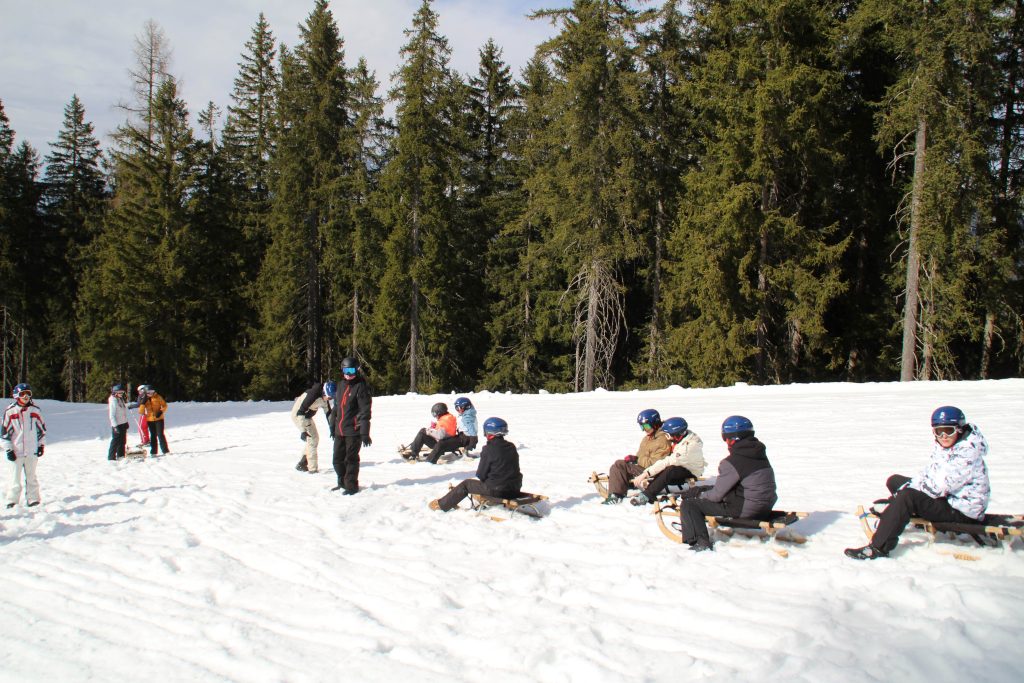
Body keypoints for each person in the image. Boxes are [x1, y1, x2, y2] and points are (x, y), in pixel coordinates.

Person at [845, 405, 990, 560]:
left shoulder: (967, 454)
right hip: (947, 499)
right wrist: (902, 490)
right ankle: (897, 510)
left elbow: (939, 487)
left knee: (908, 497)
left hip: (962, 511)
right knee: (895, 481)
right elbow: (929, 474)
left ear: (959, 429)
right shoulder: (947, 447)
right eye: (938, 431)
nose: (943, 436)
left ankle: (878, 548)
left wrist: (902, 495)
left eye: (948, 430)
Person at [677, 416, 777, 552]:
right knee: (707, 491)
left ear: (734, 439)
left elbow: (716, 496)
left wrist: (700, 495)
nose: (727, 443)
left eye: (726, 439)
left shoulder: (732, 462)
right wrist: (704, 490)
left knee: (690, 505)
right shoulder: (758, 454)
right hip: (765, 507)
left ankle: (700, 542)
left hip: (746, 510)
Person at [429, 417, 522, 511]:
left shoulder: (488, 449)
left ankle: (441, 505)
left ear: (489, 433)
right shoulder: (511, 447)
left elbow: (481, 474)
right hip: (515, 489)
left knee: (466, 484)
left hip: (497, 491)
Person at [602, 408, 674, 504]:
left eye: (646, 426)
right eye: (642, 427)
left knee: (619, 464)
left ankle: (616, 495)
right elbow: (640, 456)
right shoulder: (648, 438)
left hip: (654, 471)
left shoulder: (663, 439)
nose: (644, 430)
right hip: (644, 468)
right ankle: (619, 489)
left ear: (655, 423)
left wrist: (637, 460)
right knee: (619, 465)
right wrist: (634, 459)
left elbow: (657, 462)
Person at [630, 416, 706, 506]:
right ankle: (643, 487)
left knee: (670, 470)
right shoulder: (683, 436)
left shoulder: (688, 448)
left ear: (677, 435)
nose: (667, 438)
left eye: (668, 435)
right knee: (665, 468)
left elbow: (668, 461)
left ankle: (648, 495)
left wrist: (645, 474)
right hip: (681, 466)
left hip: (690, 470)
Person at [330, 357, 372, 495]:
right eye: (346, 370)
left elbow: (365, 412)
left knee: (350, 460)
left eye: (352, 370)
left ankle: (351, 486)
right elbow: (336, 408)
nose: (349, 374)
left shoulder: (361, 387)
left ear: (357, 370)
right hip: (339, 430)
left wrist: (365, 433)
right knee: (337, 460)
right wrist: (332, 425)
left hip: (353, 431)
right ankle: (341, 482)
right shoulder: (341, 384)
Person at [3, 383, 47, 509]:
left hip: (31, 450)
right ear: (16, 395)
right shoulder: (10, 412)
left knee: (31, 476)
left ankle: (33, 499)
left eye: (28, 393)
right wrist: (8, 449)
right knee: (14, 478)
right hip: (16, 451)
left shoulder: (35, 411)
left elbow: (42, 430)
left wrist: (40, 445)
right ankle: (12, 500)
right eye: (23, 394)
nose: (26, 396)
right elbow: (4, 433)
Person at [292, 380, 336, 474]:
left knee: (313, 439)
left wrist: (332, 428)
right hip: (300, 416)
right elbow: (300, 412)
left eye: (331, 398)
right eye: (328, 397)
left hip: (307, 416)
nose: (329, 399)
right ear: (324, 392)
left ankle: (303, 462)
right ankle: (312, 469)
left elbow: (328, 413)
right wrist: (303, 430)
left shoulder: (325, 398)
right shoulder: (313, 394)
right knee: (312, 440)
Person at [423, 396, 479, 464]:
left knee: (442, 443)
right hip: (463, 437)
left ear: (465, 407)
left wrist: (473, 441)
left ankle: (429, 461)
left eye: (458, 408)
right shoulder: (468, 414)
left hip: (464, 439)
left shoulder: (467, 418)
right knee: (444, 441)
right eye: (456, 408)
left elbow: (472, 430)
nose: (458, 410)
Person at [140, 386, 170, 455]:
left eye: (151, 392)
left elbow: (165, 406)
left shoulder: (158, 397)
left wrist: (161, 411)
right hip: (150, 420)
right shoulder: (144, 399)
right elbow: (141, 412)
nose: (150, 394)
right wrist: (142, 403)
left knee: (160, 434)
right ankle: (153, 452)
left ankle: (165, 451)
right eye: (148, 392)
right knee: (153, 435)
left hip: (159, 419)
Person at [107, 383, 129, 461]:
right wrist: (115, 426)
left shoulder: (120, 399)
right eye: (120, 392)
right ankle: (111, 457)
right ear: (115, 392)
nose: (121, 394)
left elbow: (123, 411)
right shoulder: (113, 401)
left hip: (122, 423)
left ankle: (121, 455)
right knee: (115, 441)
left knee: (123, 441)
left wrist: (126, 422)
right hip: (117, 424)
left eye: (122, 392)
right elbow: (111, 415)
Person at [129, 384, 151, 450]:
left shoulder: (145, 395)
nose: (139, 392)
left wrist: (131, 406)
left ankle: (145, 441)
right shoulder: (142, 395)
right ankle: (146, 440)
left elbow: (140, 404)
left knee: (141, 427)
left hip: (145, 413)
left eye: (140, 391)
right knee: (143, 427)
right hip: (145, 413)